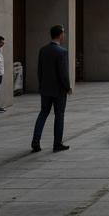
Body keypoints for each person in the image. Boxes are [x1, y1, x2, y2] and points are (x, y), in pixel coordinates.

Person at [31, 24, 72, 152]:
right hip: (59, 90)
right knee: (59, 115)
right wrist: (67, 87)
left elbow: (40, 71)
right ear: (60, 34)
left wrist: (42, 85)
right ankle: (57, 143)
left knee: (43, 112)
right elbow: (63, 72)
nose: (64, 35)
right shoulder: (62, 52)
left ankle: (36, 139)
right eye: (64, 33)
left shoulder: (43, 50)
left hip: (45, 89)